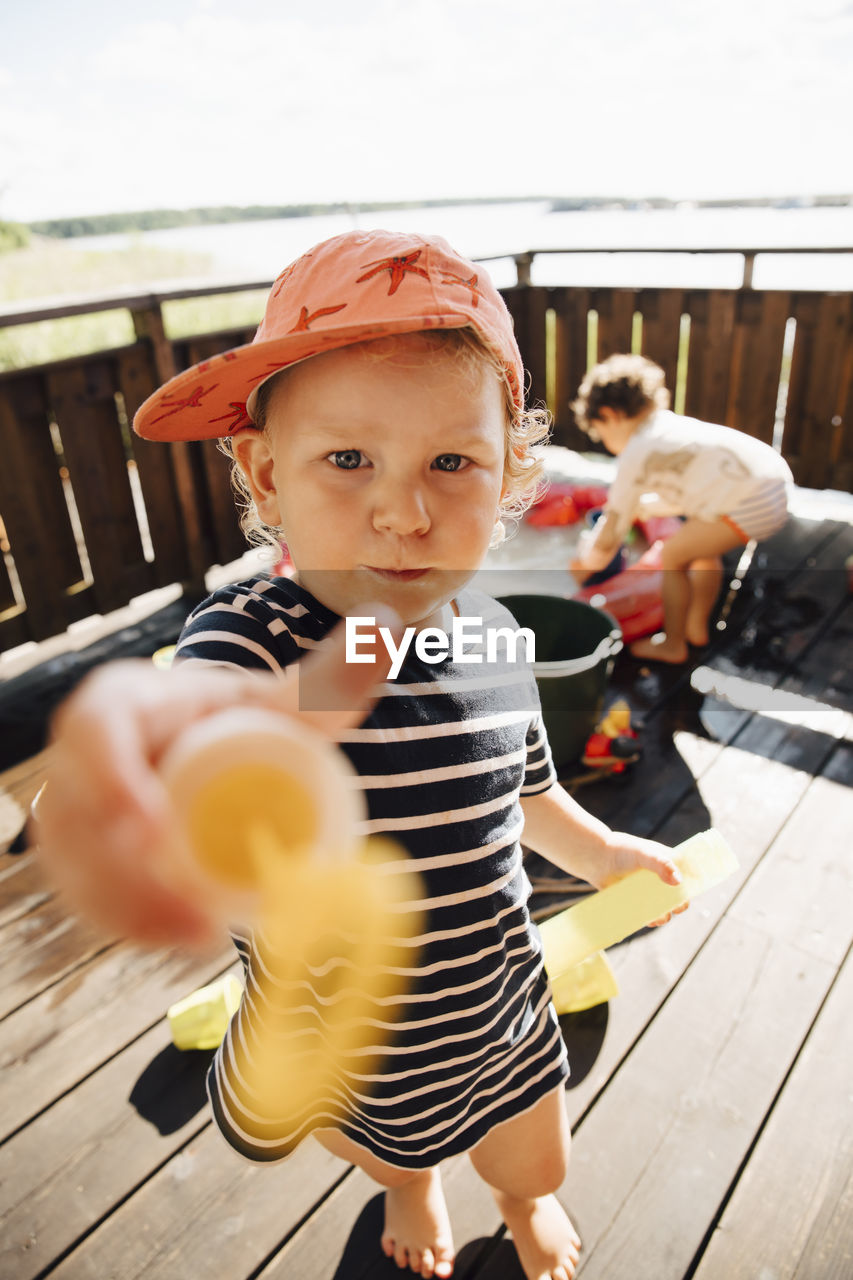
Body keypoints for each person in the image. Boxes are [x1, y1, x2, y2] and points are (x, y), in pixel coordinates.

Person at [36, 232, 685, 1280]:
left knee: (535, 1153)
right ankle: (415, 1184)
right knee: (382, 1147)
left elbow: (529, 796)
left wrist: (605, 851)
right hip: (355, 1032)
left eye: (450, 462)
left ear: (509, 472)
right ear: (267, 473)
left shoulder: (489, 634)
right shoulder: (250, 635)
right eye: (348, 460)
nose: (403, 508)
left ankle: (522, 1205)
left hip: (497, 1001)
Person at [569, 353, 792, 664]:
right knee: (701, 550)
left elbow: (610, 532)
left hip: (750, 500)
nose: (606, 444)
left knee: (674, 554)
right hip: (773, 485)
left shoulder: (637, 450)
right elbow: (688, 491)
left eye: (601, 434)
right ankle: (695, 628)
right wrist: (648, 508)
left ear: (609, 415)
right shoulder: (668, 427)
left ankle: (673, 645)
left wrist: (586, 560)